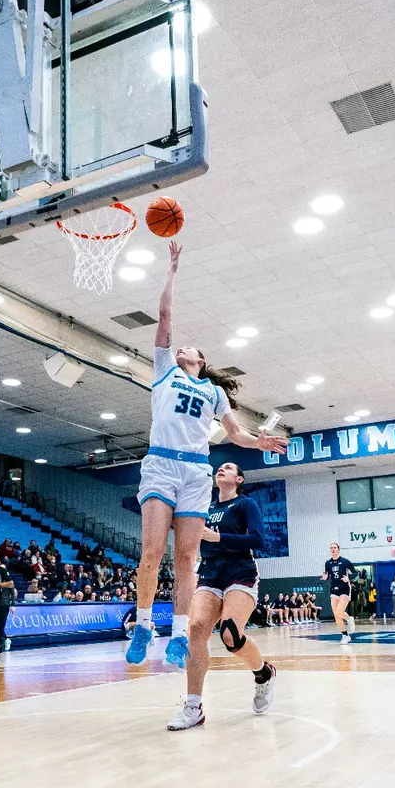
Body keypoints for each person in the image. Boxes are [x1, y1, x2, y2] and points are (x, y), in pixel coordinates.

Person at [126, 241, 287, 669]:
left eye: (189, 349)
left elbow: (234, 433)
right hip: (161, 463)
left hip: (197, 471)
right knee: (151, 552)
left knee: (185, 557)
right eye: (179, 348)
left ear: (202, 360)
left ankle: (179, 635)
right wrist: (171, 271)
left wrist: (261, 443)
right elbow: (164, 319)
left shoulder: (213, 392)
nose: (181, 349)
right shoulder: (163, 372)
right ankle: (144, 625)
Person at [168, 461, 277, 730]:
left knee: (230, 634)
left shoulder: (245, 505)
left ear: (238, 479)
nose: (221, 469)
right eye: (220, 467)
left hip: (240, 571)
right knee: (196, 629)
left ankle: (263, 673)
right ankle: (193, 705)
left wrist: (218, 538)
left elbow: (258, 540)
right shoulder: (204, 508)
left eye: (228, 468)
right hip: (210, 572)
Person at [322, 543, 358, 644]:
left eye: (335, 548)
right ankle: (345, 635)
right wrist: (325, 577)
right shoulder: (328, 563)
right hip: (334, 590)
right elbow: (328, 575)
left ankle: (349, 619)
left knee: (339, 611)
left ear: (338, 549)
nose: (333, 549)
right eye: (331, 548)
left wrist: (349, 578)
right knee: (336, 615)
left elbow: (355, 573)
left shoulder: (345, 561)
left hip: (344, 589)